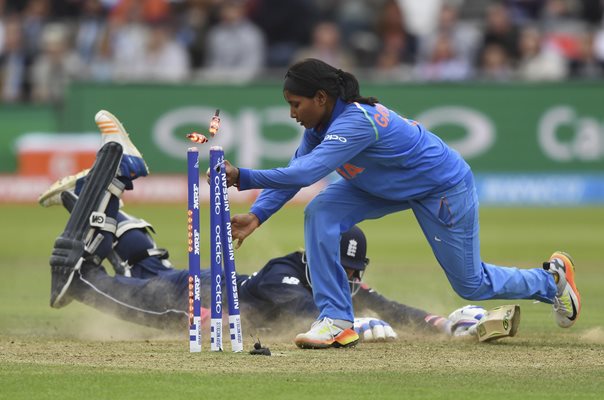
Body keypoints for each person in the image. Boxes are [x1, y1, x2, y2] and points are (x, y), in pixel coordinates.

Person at [218, 58, 581, 349]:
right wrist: (257, 214)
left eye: (295, 104)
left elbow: (305, 173)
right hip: (379, 186)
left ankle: (551, 281)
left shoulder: (356, 122)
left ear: (321, 98)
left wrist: (245, 177)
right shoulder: (318, 130)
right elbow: (298, 168)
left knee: (471, 284)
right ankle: (337, 321)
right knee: (321, 211)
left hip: (441, 187)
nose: (292, 113)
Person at [39, 109, 479, 344]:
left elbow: (389, 308)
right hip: (193, 301)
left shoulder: (340, 288)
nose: (351, 281)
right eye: (345, 273)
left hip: (198, 280)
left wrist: (441, 323)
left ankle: (93, 197)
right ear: (317, 259)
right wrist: (356, 325)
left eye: (354, 273)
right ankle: (80, 277)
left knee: (145, 264)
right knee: (114, 286)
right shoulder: (284, 275)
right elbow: (305, 313)